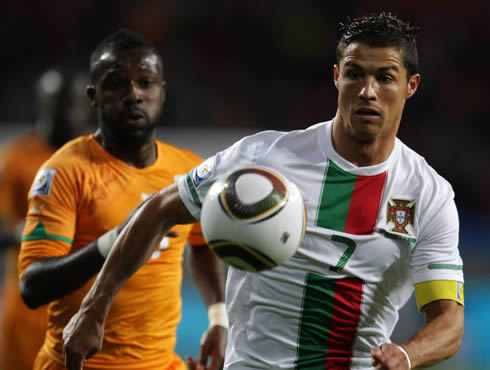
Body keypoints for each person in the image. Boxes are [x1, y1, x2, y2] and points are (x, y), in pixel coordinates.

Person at [61, 13, 465, 370]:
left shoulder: (428, 195)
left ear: (410, 85)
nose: (368, 90)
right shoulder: (262, 157)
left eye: (385, 77)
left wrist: (408, 354)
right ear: (336, 76)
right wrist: (94, 307)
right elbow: (160, 209)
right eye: (355, 73)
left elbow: (449, 320)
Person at [18, 29, 227, 370]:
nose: (134, 94)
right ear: (93, 97)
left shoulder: (189, 170)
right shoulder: (65, 171)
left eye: (146, 82)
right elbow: (33, 286)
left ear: (162, 91)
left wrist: (218, 317)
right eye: (117, 83)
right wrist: (119, 238)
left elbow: (203, 244)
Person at [0, 66, 90, 370]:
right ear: (42, 104)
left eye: (72, 102)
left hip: (82, 307)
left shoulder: (97, 159)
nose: (65, 111)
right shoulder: (16, 159)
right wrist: (33, 231)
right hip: (27, 306)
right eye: (57, 102)